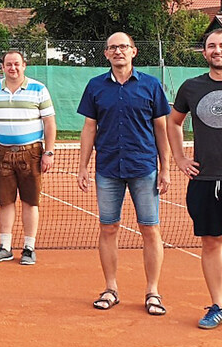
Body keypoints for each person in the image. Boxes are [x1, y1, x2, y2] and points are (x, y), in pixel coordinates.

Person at [77, 32, 171, 315]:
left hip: (144, 168)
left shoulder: (152, 86)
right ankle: (110, 288)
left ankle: (152, 292)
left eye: (124, 47)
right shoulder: (95, 87)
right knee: (108, 228)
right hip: (107, 169)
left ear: (134, 52)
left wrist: (165, 167)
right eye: (113, 47)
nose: (118, 51)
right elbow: (89, 128)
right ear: (106, 54)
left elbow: (161, 129)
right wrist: (82, 165)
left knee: (150, 229)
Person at [0, 51, 56, 265]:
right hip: (2, 154)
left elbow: (49, 123)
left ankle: (29, 248)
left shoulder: (39, 89)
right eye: (9, 64)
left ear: (24, 66)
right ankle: (5, 247)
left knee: (30, 201)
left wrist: (48, 152)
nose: (13, 68)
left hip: (32, 153)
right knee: (5, 201)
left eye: (17, 64)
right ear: (2, 67)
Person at [166, 29, 222, 329]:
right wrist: (180, 158)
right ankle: (218, 305)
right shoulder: (191, 87)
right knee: (211, 242)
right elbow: (173, 122)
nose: (217, 50)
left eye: (221, 45)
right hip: (205, 180)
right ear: (204, 53)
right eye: (211, 46)